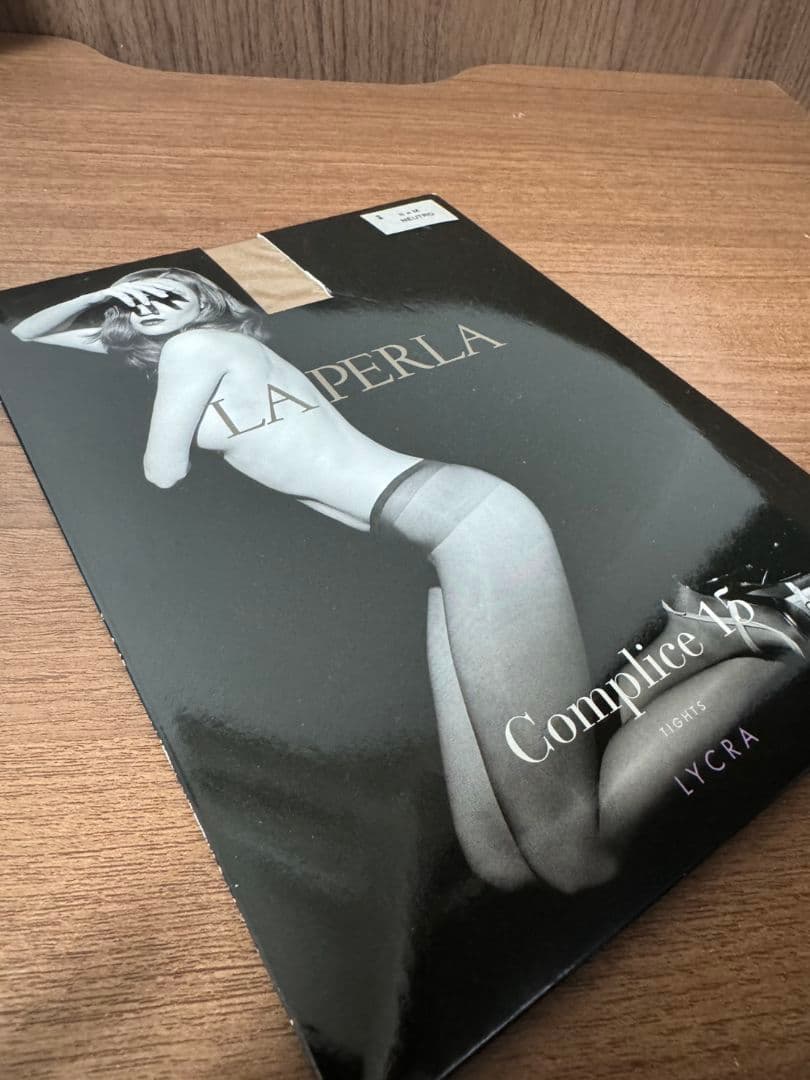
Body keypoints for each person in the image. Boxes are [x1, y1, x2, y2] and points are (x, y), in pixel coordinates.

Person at [13, 268, 809, 893]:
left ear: (206, 299)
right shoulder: (191, 353)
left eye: (170, 284)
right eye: (137, 294)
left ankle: (763, 643)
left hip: (469, 527)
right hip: (437, 550)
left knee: (575, 857)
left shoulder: (200, 349)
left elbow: (163, 469)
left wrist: (131, 307)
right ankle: (693, 639)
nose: (151, 296)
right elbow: (24, 332)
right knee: (500, 861)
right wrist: (108, 297)